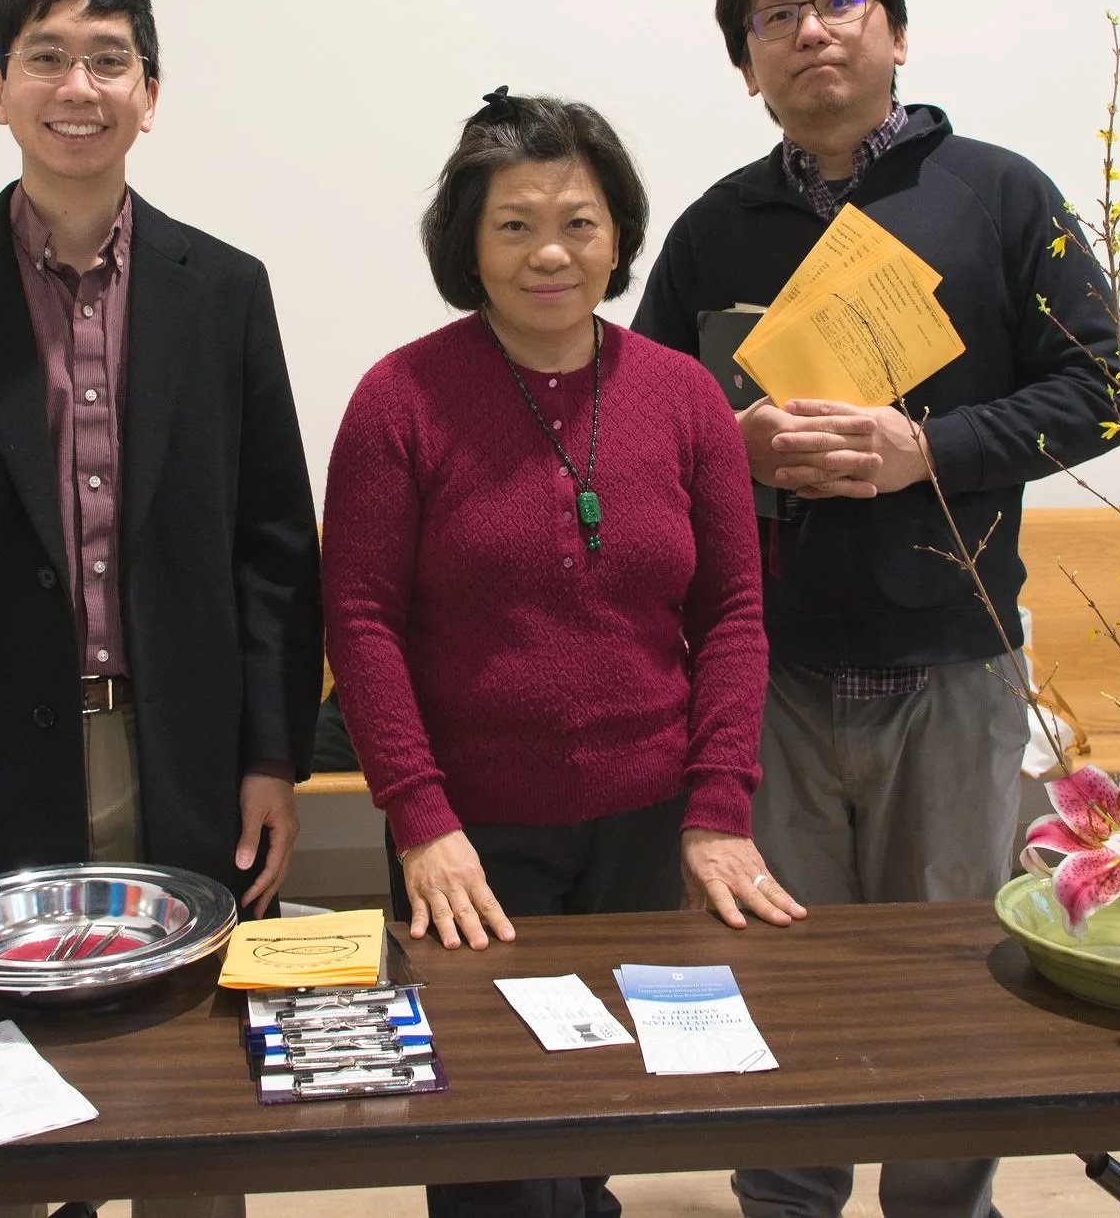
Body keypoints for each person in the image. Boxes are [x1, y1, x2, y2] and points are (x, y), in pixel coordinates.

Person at [631, 0, 1120, 1218]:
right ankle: (786, 1200)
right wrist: (722, 442)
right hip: (770, 670)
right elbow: (634, 429)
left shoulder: (1000, 195)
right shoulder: (712, 228)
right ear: (748, 65)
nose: (810, 30)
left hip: (954, 661)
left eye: (839, 1)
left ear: (895, 33)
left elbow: (1106, 390)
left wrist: (930, 446)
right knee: (775, 971)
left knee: (955, 968)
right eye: (774, 16)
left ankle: (941, 1209)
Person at [325, 89, 803, 1218]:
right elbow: (360, 618)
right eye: (514, 225)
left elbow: (733, 611)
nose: (551, 251)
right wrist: (419, 821)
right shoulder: (401, 399)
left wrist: (717, 807)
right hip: (472, 833)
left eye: (579, 222)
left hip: (641, 825)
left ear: (620, 235)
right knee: (493, 1124)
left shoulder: (683, 397)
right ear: (469, 247)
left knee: (597, 1090)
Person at [0, 0, 323, 934]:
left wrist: (272, 755)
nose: (77, 88)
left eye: (108, 59)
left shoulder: (225, 292)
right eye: (46, 58)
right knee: (12, 1043)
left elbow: (273, 545)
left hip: (186, 752)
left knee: (182, 1035)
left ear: (149, 94)